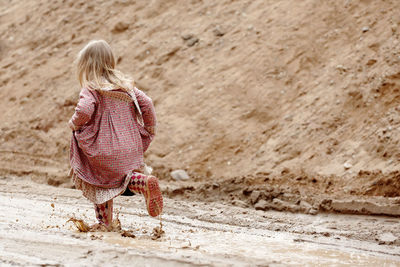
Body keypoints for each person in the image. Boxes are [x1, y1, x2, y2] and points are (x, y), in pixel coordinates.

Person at [68, 40, 163, 230]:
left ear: (86, 66)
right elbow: (147, 103)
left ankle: (105, 223)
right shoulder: (126, 86)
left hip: (104, 149)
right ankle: (143, 183)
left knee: (99, 181)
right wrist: (148, 130)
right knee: (125, 177)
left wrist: (75, 123)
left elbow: (85, 109)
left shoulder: (92, 88)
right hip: (129, 145)